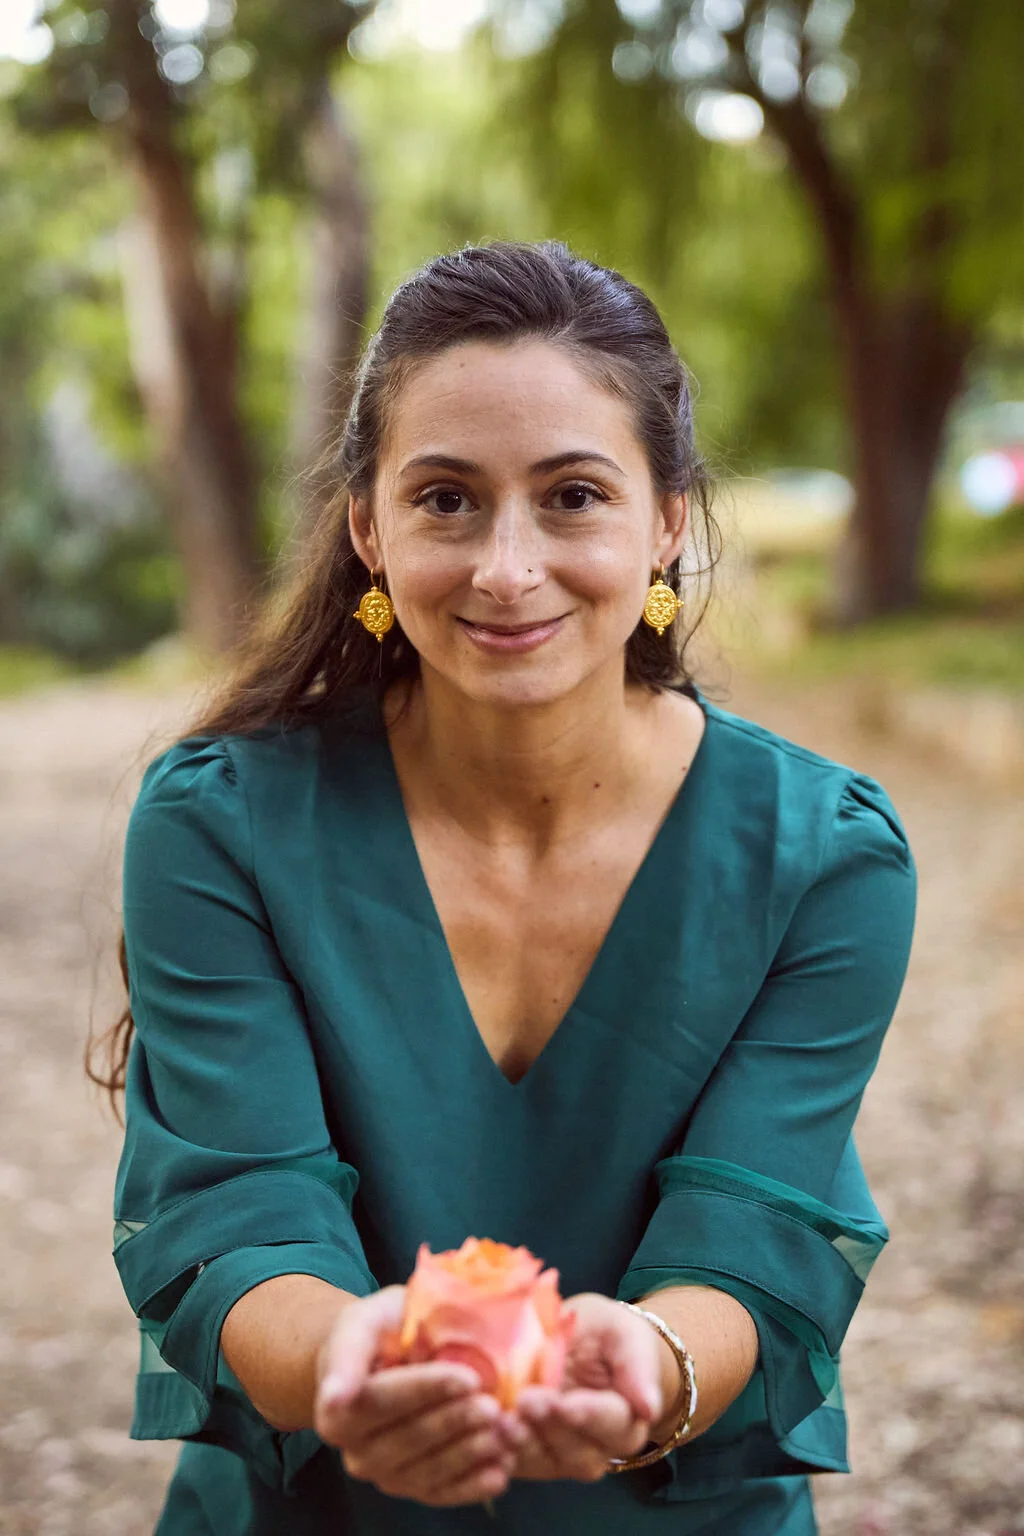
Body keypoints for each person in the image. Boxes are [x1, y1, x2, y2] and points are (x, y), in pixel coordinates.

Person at [100, 241, 917, 1535]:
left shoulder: (827, 857)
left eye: (574, 495)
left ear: (669, 523)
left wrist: (648, 1370)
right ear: (368, 525)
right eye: (446, 500)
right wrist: (350, 1368)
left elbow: (752, 1233)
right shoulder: (219, 827)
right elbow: (241, 1216)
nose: (506, 566)